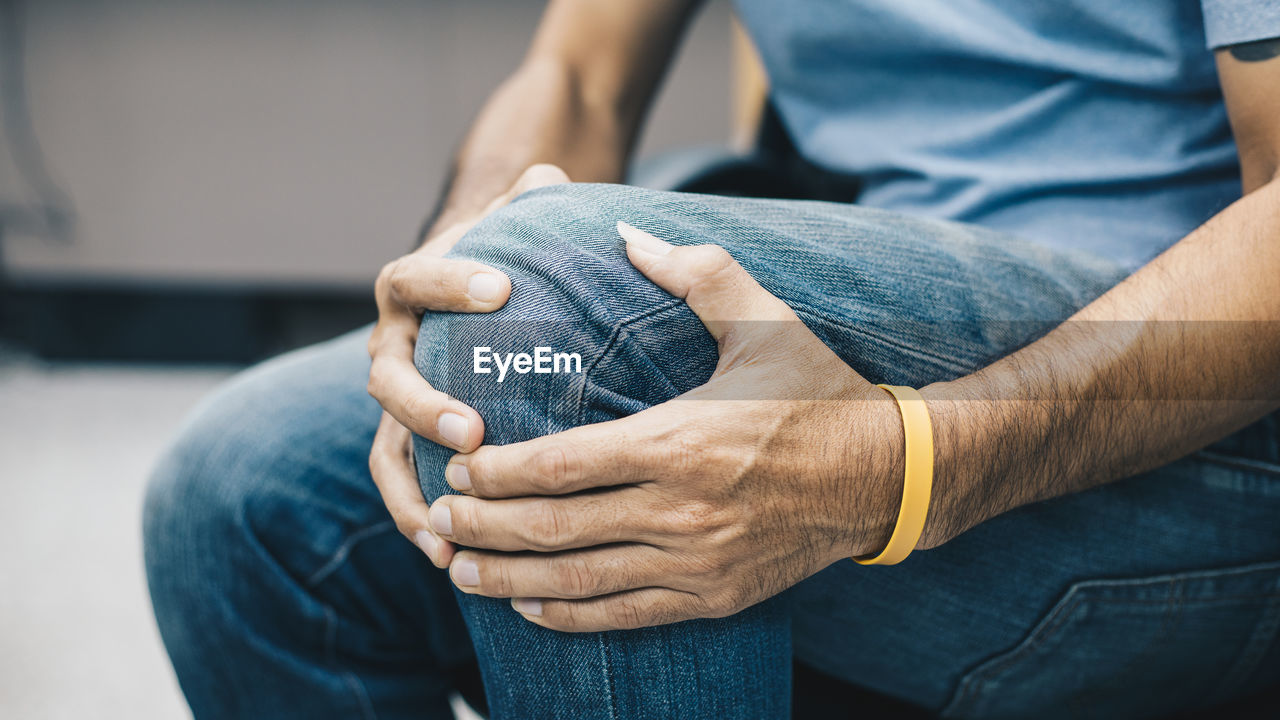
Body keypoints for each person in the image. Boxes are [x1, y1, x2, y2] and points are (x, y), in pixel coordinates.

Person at [144, 1, 1280, 717]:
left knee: (567, 316)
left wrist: (909, 461)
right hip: (878, 273)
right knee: (244, 494)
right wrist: (453, 284)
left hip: (1200, 429)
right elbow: (580, 72)